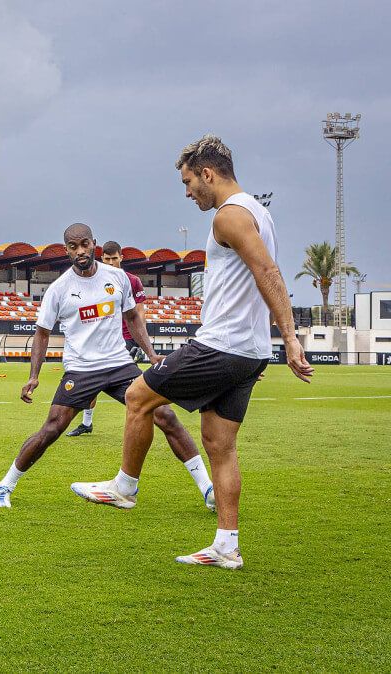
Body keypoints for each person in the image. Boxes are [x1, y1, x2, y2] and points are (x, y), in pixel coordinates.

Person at [72, 135, 313, 569]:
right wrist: (271, 344)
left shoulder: (230, 216)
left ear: (207, 174)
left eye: (188, 182)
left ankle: (124, 487)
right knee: (220, 444)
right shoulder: (259, 213)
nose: (187, 193)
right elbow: (261, 274)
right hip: (248, 351)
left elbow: (267, 272)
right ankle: (226, 546)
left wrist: (291, 337)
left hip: (222, 344)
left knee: (137, 396)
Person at [0, 223, 212, 510]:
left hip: (119, 364)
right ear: (66, 250)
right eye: (73, 247)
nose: (80, 251)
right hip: (82, 368)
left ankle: (207, 489)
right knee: (53, 427)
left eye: (84, 244)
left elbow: (132, 317)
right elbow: (42, 333)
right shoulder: (59, 289)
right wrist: (34, 376)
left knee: (165, 416)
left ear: (93, 243)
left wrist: (150, 354)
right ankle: (5, 486)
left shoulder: (117, 277)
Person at [66, 240, 147, 437]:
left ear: (121, 258)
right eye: (107, 259)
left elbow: (139, 312)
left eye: (115, 259)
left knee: (131, 388)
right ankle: (87, 423)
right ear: (101, 258)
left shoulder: (132, 280)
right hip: (99, 340)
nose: (111, 263)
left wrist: (141, 343)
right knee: (92, 382)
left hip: (125, 340)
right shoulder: (93, 280)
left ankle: (140, 422)